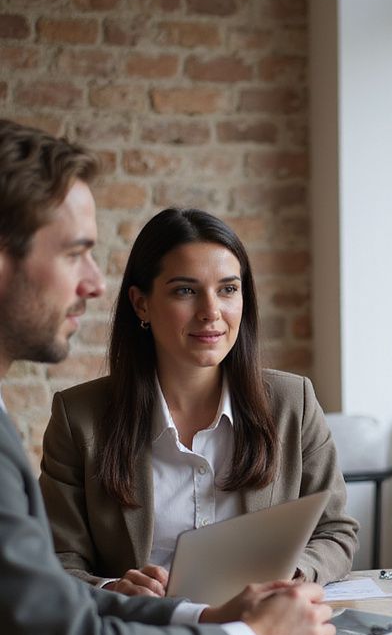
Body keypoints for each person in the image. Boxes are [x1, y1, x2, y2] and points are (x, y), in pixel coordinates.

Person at [0, 118, 335, 635]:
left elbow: (47, 598)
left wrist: (200, 613)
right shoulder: (71, 420)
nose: (92, 281)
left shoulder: (287, 402)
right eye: (76, 251)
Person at [39, 207, 358, 598]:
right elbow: (56, 560)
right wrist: (114, 590)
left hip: (260, 631)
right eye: (185, 291)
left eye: (227, 289)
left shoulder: (294, 403)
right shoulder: (79, 418)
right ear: (141, 304)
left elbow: (336, 531)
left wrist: (291, 574)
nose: (211, 312)